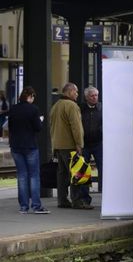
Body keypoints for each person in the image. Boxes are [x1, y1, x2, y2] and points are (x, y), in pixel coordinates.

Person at [49, 82, 93, 210]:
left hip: (58, 145)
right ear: (69, 92)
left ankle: (62, 200)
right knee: (76, 173)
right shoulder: (71, 106)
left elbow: (51, 126)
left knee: (62, 174)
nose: (77, 94)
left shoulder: (56, 106)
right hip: (69, 145)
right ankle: (77, 201)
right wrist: (79, 144)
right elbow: (76, 127)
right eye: (76, 91)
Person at [8, 86, 49, 214]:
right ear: (30, 96)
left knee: (22, 176)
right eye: (33, 97)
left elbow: (10, 127)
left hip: (15, 146)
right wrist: (40, 121)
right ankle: (36, 206)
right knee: (34, 176)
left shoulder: (13, 109)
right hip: (30, 146)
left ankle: (24, 207)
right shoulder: (33, 109)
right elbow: (37, 128)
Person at [79, 86, 102, 204]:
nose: (94, 98)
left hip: (99, 143)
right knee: (83, 172)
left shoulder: (101, 108)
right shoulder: (80, 109)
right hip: (85, 144)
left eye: (96, 95)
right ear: (86, 97)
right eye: (92, 96)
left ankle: (106, 195)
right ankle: (84, 198)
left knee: (103, 169)